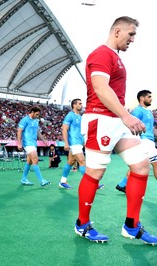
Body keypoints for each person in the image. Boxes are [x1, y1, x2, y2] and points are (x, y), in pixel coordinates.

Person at [74, 16, 157, 244]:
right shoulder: (102, 53)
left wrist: (122, 116)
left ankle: (131, 225)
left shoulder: (116, 58)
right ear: (117, 31)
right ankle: (82, 223)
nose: (133, 39)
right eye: (131, 34)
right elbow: (100, 88)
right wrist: (126, 115)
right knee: (95, 172)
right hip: (100, 119)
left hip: (115, 121)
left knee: (140, 164)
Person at [116, 90, 157, 193]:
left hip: (149, 140)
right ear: (142, 98)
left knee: (138, 165)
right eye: (149, 97)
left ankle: (122, 184)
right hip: (144, 141)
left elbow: (151, 129)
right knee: (156, 164)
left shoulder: (149, 112)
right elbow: (130, 125)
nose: (151, 98)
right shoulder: (138, 111)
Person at [17, 106, 50, 187]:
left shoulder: (36, 120)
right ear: (32, 112)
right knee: (35, 159)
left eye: (38, 115)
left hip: (34, 143)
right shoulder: (24, 120)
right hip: (27, 143)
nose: (37, 116)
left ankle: (24, 179)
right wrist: (19, 143)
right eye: (36, 114)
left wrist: (43, 140)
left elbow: (37, 131)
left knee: (29, 161)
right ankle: (41, 180)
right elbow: (19, 131)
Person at [59, 99, 86, 189]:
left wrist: (84, 141)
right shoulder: (70, 116)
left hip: (79, 142)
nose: (81, 105)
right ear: (74, 105)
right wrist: (66, 143)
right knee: (82, 162)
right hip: (74, 143)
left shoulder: (80, 117)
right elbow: (64, 129)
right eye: (79, 104)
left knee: (70, 162)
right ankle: (91, 184)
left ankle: (62, 182)